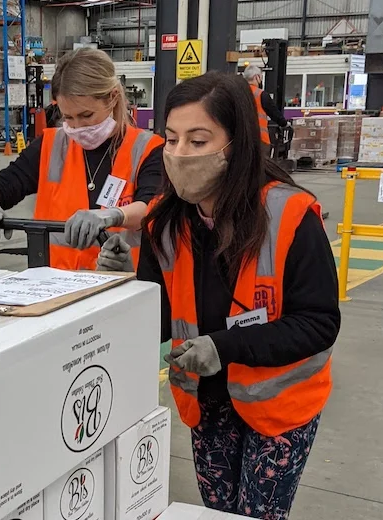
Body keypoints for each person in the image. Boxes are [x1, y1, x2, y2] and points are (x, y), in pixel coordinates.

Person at [97, 72, 340, 520]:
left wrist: (223, 347)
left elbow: (319, 323)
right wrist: (122, 288)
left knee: (258, 515)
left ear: (235, 144)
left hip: (279, 405)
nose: (179, 154)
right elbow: (162, 317)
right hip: (206, 400)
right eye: (171, 139)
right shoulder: (164, 223)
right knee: (218, 512)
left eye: (198, 140)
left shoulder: (290, 216)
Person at [0, 48, 164, 270]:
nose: (77, 127)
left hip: (122, 285)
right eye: (68, 117)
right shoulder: (51, 146)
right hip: (58, 286)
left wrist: (112, 216)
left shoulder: (147, 149)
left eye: (86, 115)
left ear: (112, 97)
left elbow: (152, 207)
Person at [243, 66, 289, 156]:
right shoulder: (261, 94)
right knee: (261, 166)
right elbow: (274, 113)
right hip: (260, 139)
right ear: (257, 77)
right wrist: (285, 124)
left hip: (241, 139)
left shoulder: (238, 93)